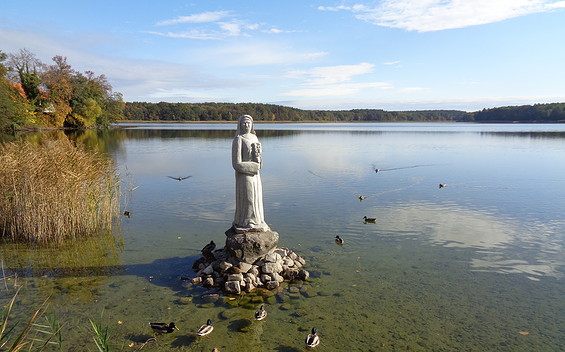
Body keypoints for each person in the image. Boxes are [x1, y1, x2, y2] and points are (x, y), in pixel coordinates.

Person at [232, 115, 269, 232]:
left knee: (256, 197)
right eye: (244, 123)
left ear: (252, 124)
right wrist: (253, 167)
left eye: (249, 123)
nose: (247, 125)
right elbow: (236, 164)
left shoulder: (254, 138)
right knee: (248, 197)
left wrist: (259, 161)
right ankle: (246, 221)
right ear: (240, 125)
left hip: (255, 175)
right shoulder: (238, 139)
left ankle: (257, 219)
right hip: (244, 175)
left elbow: (258, 159)